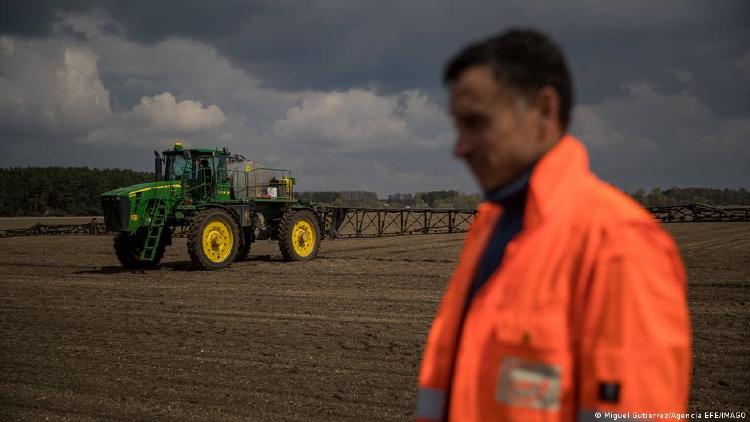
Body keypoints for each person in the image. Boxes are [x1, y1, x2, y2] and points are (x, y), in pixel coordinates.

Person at [416, 29, 691, 422]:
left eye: (476, 123)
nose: (460, 147)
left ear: (544, 110)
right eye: (458, 126)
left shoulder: (618, 243)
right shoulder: (490, 225)